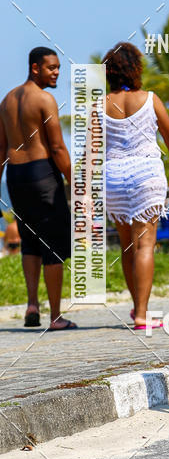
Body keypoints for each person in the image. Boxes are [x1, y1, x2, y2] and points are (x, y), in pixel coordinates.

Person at [100, 43, 169, 329]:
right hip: (146, 176)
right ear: (135, 68)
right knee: (145, 246)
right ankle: (142, 313)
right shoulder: (150, 99)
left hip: (112, 178)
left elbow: (90, 151)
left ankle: (136, 307)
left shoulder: (97, 105)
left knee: (127, 246)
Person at [0, 47, 74, 329]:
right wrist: (77, 182)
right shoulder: (44, 99)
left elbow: (0, 150)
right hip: (42, 173)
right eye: (51, 68)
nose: (56, 73)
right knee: (53, 244)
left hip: (16, 177)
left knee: (29, 242)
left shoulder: (7, 100)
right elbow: (56, 147)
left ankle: (33, 304)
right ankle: (55, 317)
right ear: (35, 68)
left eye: (57, 68)